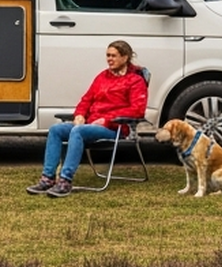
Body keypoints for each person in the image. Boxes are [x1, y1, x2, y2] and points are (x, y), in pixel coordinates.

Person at [27, 40, 149, 198]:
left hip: (115, 128)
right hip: (90, 125)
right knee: (56, 130)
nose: (109, 59)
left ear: (125, 58)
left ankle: (65, 180)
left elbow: (137, 110)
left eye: (114, 56)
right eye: (108, 55)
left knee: (78, 131)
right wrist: (80, 114)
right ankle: (48, 178)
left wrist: (107, 120)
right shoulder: (102, 77)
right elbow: (86, 99)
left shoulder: (135, 81)